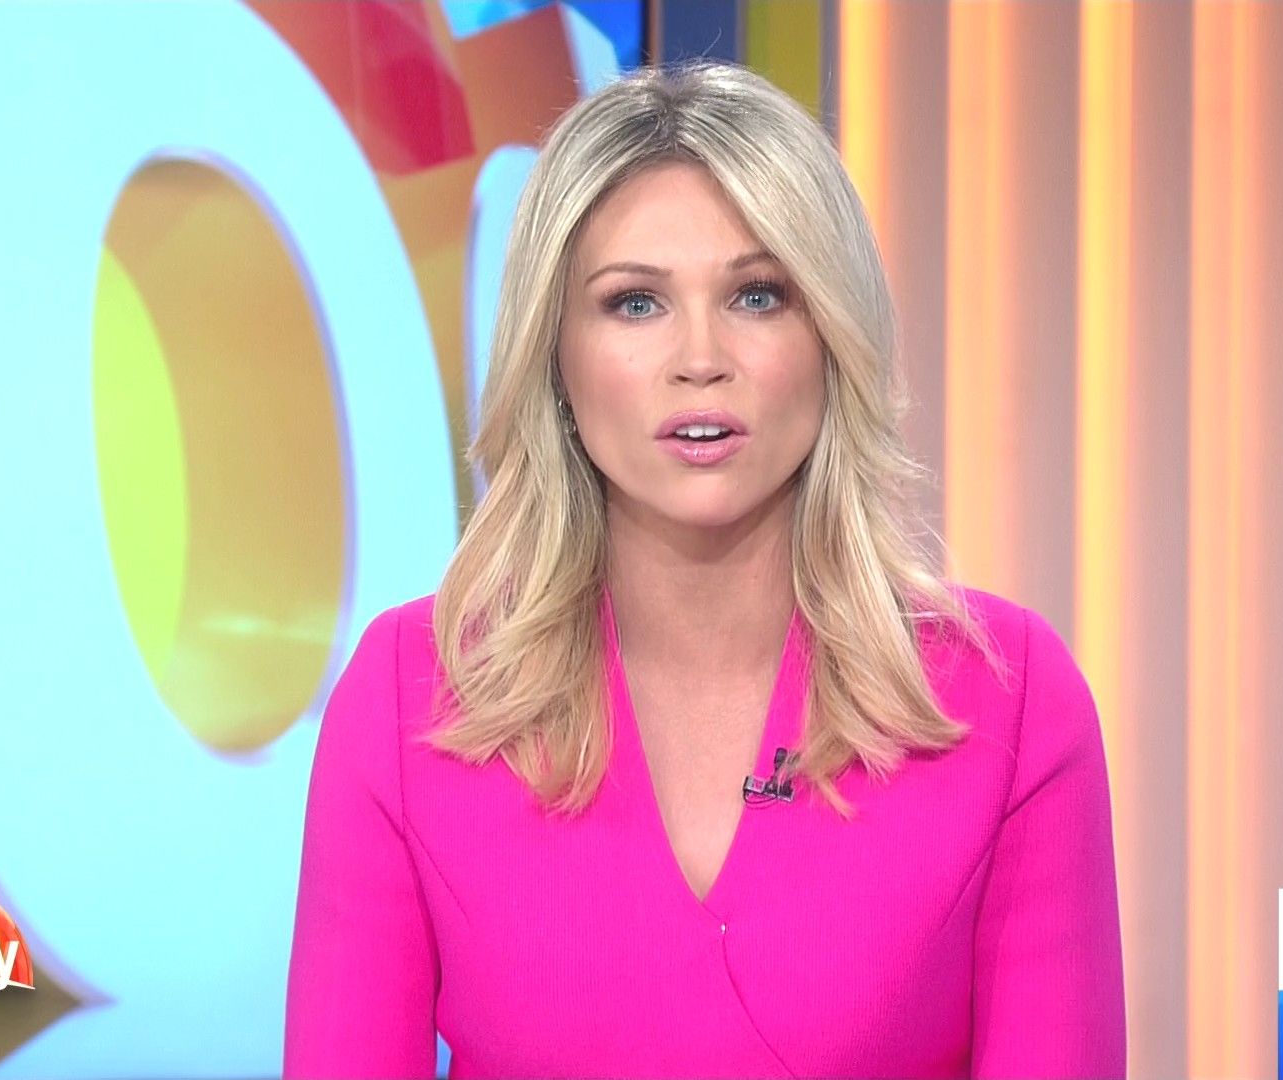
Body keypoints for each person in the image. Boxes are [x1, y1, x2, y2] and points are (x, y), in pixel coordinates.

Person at [284, 59, 1124, 1080]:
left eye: (757, 295)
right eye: (635, 302)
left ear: (831, 338)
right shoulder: (409, 698)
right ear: (556, 356)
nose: (700, 358)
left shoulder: (1007, 701)